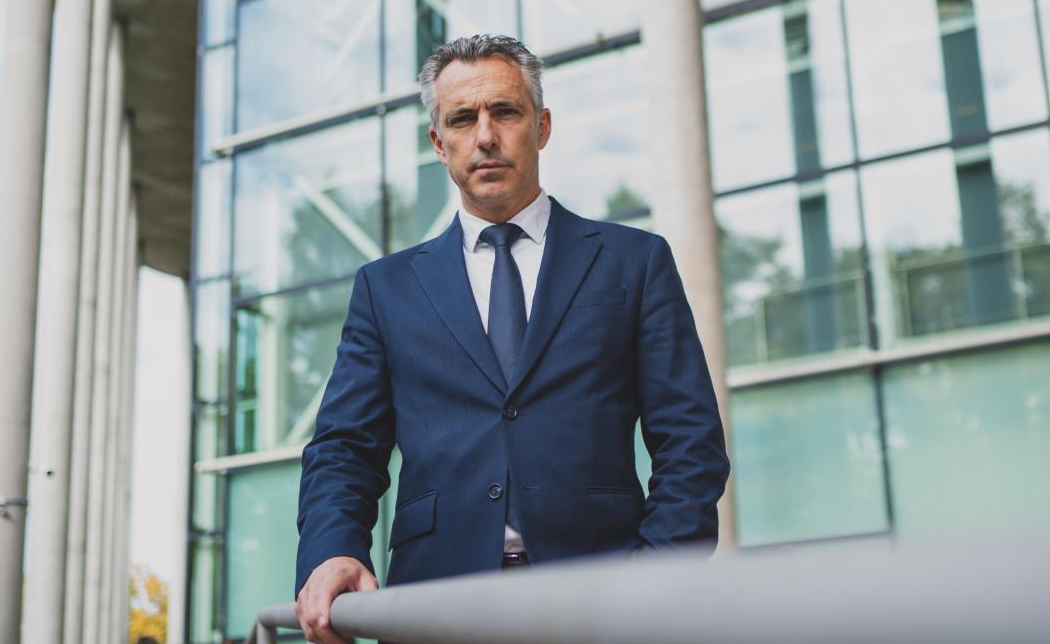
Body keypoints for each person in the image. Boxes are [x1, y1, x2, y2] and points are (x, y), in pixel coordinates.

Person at [293, 34, 731, 643]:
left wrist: (659, 574)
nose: (486, 137)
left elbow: (690, 440)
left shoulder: (634, 262)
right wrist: (330, 552)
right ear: (438, 143)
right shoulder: (384, 288)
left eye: (505, 112)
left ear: (542, 125)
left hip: (604, 603)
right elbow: (344, 447)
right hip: (435, 602)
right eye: (462, 119)